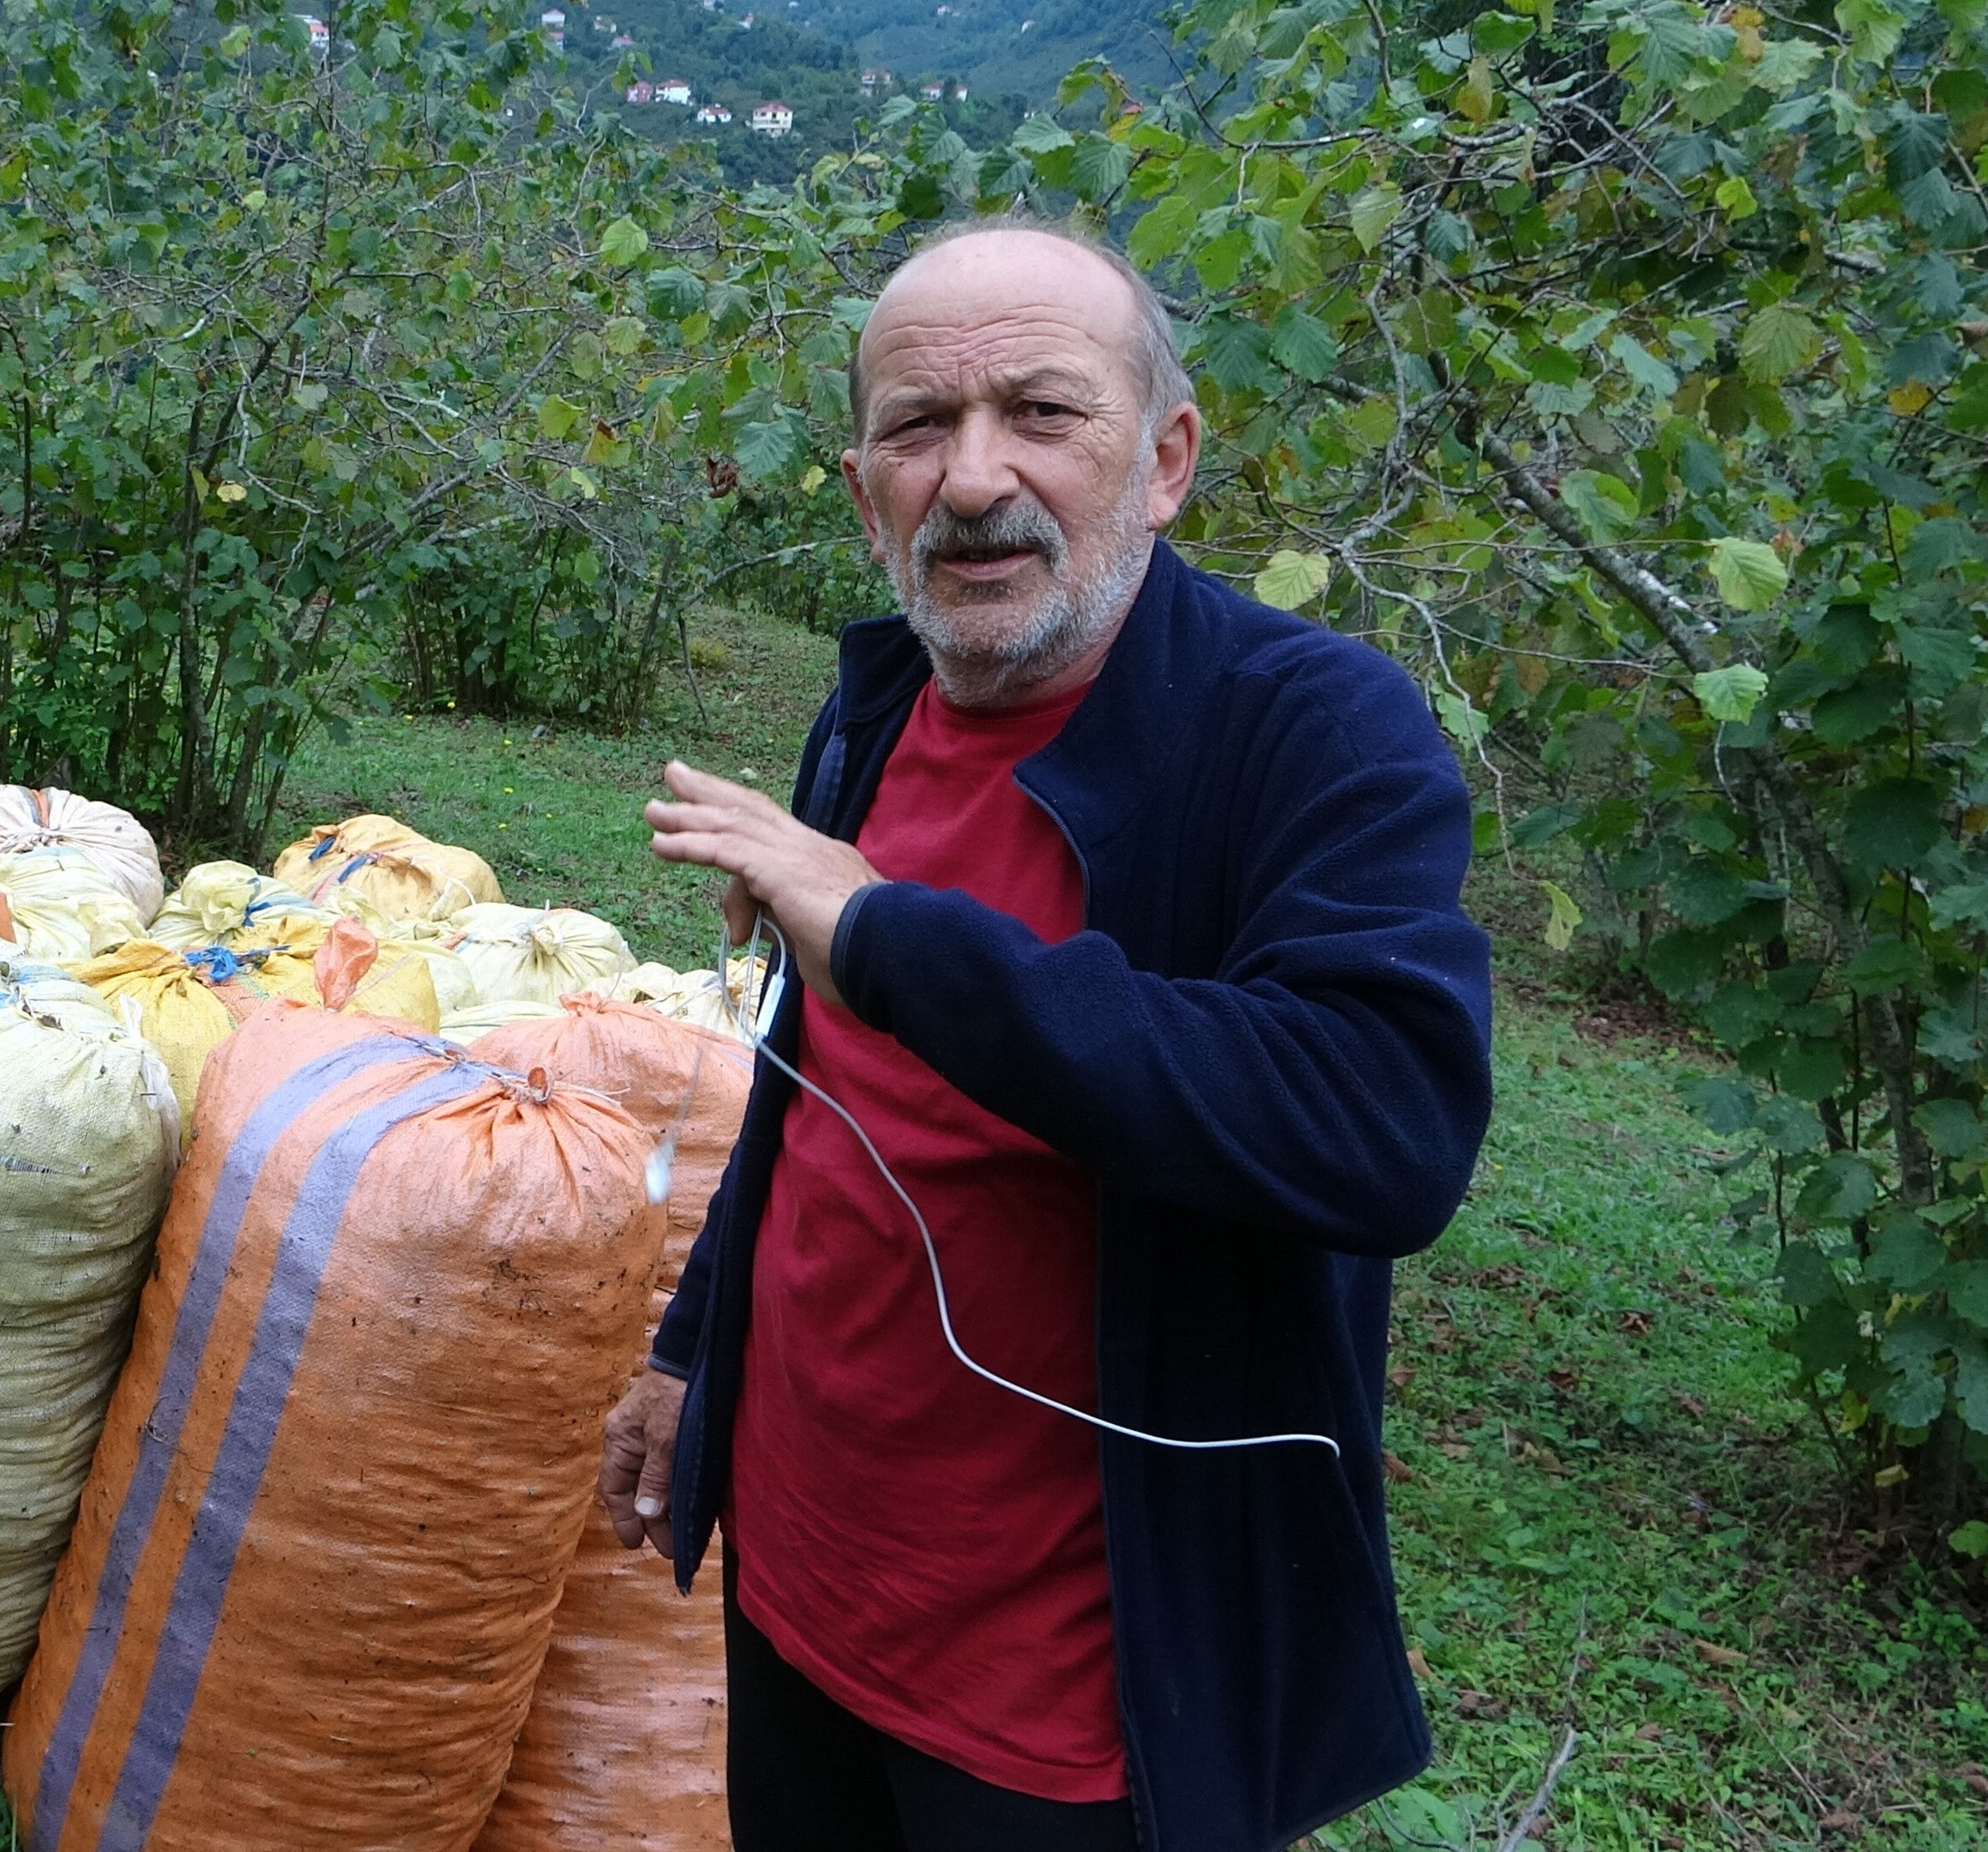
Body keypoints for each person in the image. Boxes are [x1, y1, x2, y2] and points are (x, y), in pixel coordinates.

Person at [605, 214, 1495, 1852]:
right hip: (806, 1580)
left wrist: (884, 930)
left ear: (1163, 460)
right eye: (917, 427)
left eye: (1043, 412)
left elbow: (1384, 1124)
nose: (971, 478)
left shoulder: (1307, 733)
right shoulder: (878, 698)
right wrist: (691, 1349)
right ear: (862, 477)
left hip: (1072, 1695)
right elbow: (815, 1083)